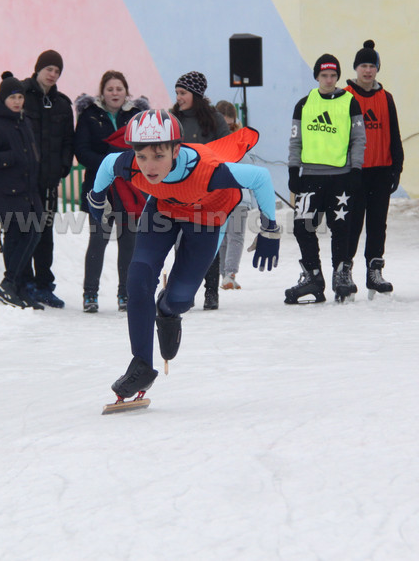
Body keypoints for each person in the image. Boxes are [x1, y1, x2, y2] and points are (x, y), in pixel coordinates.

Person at [86, 109, 280, 402]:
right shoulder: (129, 164)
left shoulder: (209, 171)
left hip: (208, 217)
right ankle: (141, 365)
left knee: (179, 299)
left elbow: (260, 177)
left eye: (159, 156)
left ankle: (167, 310)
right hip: (163, 209)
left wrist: (270, 229)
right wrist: (97, 197)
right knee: (138, 278)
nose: (149, 166)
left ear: (176, 150)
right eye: (142, 156)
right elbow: (107, 164)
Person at [285, 53, 366, 304]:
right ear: (317, 76)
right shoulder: (304, 104)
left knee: (341, 228)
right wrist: (293, 171)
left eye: (333, 75)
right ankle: (313, 276)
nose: (329, 80)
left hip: (340, 177)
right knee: (302, 227)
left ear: (338, 76)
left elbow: (358, 139)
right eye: (324, 75)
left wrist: (356, 170)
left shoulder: (350, 102)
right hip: (310, 177)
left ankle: (341, 275)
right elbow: (295, 141)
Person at [73, 70, 149, 313]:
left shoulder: (136, 117)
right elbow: (81, 151)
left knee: (129, 243)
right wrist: (110, 165)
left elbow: (146, 149)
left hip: (130, 188)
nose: (115, 93)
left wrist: (127, 167)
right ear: (102, 92)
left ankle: (125, 294)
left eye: (119, 89)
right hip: (100, 187)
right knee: (98, 241)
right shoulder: (89, 115)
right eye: (110, 89)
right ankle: (90, 294)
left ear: (126, 91)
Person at [0, 73, 45, 310]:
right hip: (8, 194)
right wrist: (9, 157)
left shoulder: (24, 122)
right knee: (16, 239)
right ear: (3, 99)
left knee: (32, 234)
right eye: (12, 97)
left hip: (28, 192)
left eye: (20, 97)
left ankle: (18, 287)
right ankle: (9, 284)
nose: (17, 101)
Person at [344, 40, 404, 296]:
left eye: (372, 66)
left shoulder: (386, 98)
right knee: (352, 223)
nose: (367, 71)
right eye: (363, 66)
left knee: (378, 224)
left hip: (381, 170)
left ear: (377, 69)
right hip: (355, 171)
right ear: (356, 68)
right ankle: (345, 270)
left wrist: (397, 166)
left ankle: (374, 271)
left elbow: (394, 133)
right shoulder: (345, 96)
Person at [170, 71, 230, 309]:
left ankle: (211, 292)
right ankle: (185, 291)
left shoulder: (214, 119)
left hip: (208, 189)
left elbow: (227, 149)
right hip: (179, 189)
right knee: (182, 242)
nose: (178, 97)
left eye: (182, 93)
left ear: (195, 94)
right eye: (177, 93)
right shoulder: (173, 119)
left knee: (207, 241)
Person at [21, 49, 75, 308]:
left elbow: (68, 141)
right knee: (24, 229)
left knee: (45, 233)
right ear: (38, 69)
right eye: (49, 69)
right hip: (24, 180)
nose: (52, 74)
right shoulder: (21, 95)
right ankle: (24, 282)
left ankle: (44, 285)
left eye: (57, 71)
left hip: (49, 182)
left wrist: (62, 168)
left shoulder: (62, 104)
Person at [214, 100, 254, 290]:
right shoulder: (211, 140)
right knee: (222, 237)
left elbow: (248, 166)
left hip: (239, 197)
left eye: (230, 125)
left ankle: (230, 273)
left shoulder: (240, 140)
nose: (226, 129)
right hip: (219, 197)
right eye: (223, 124)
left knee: (235, 235)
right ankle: (224, 274)